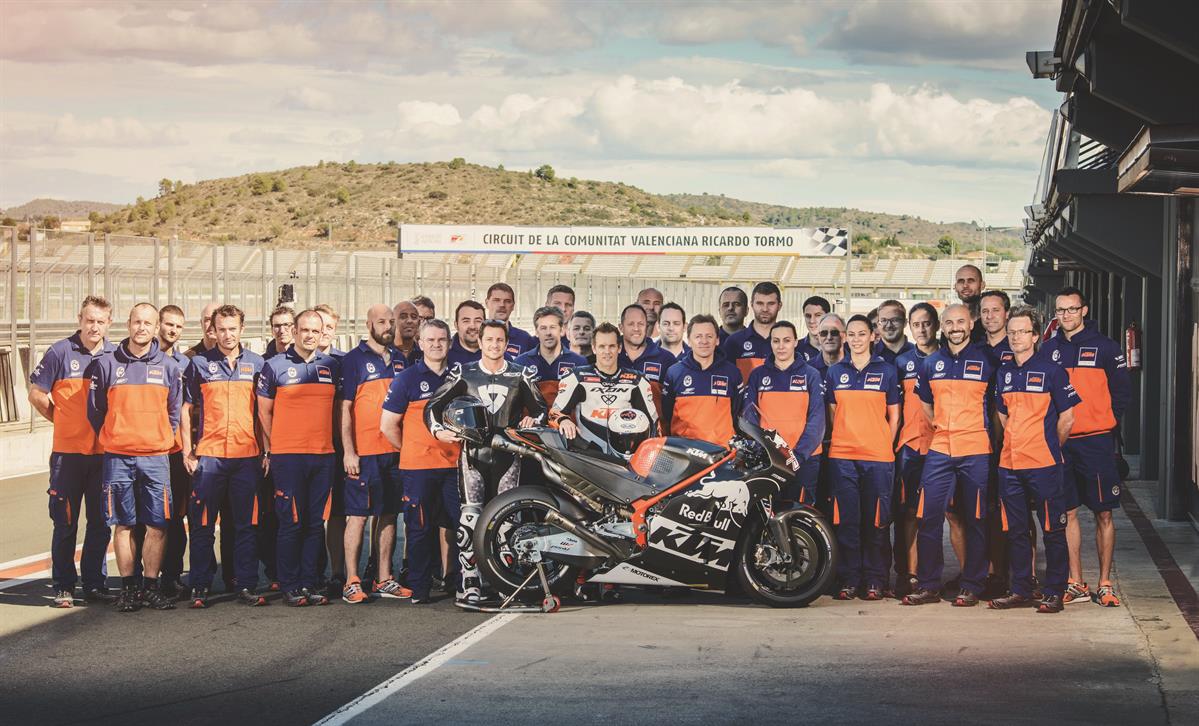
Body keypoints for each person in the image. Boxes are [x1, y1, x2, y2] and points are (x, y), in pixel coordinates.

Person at [426, 320, 548, 607]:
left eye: (499, 340)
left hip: (510, 456)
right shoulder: (464, 372)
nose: (494, 345)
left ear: (507, 343)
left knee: (507, 521)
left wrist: (531, 420)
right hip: (473, 455)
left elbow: (542, 409)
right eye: (489, 339)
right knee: (469, 520)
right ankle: (469, 584)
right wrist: (438, 430)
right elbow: (433, 406)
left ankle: (505, 583)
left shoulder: (520, 374)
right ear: (480, 342)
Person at [87, 302, 184, 612]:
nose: (142, 328)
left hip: (156, 458)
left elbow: (174, 412)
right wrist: (116, 435)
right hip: (118, 458)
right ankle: (129, 588)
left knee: (158, 525)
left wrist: (158, 437)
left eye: (148, 323)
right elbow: (95, 411)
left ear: (156, 328)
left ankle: (151, 587)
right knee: (124, 524)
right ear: (128, 324)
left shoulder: (169, 367)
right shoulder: (106, 364)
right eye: (137, 322)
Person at [1042, 286, 1131, 607]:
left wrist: (1103, 422)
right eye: (1061, 310)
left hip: (1096, 443)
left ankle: (1105, 583)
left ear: (1084, 311)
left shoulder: (1106, 347)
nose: (1066, 315)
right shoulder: (1048, 349)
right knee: (1067, 513)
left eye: (1072, 309)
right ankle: (1075, 582)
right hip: (1061, 442)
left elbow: (1122, 394)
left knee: (1104, 512)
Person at [904, 303, 997, 607]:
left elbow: (998, 408)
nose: (955, 328)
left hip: (976, 449)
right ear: (942, 327)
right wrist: (942, 427)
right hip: (941, 448)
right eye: (949, 323)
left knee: (976, 519)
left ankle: (972, 585)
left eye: (960, 322)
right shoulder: (931, 363)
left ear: (970, 324)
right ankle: (929, 585)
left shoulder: (987, 360)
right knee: (928, 516)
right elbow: (926, 405)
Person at [990, 306, 1078, 614]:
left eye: (1022, 332)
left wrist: (1049, 446)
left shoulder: (1052, 371)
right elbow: (1002, 416)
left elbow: (1067, 418)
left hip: (1043, 464)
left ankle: (1054, 592)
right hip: (1009, 466)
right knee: (1016, 531)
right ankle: (1020, 590)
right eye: (1011, 332)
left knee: (1052, 530)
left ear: (1035, 335)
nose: (1016, 337)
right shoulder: (1004, 372)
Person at [29, 296, 116, 607]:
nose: (94, 327)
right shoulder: (59, 352)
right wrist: (61, 418)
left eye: (100, 322)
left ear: (109, 323)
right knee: (65, 523)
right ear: (80, 319)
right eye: (89, 320)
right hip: (67, 456)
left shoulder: (115, 355)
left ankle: (94, 584)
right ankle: (64, 585)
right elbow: (36, 394)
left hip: (103, 455)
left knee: (101, 523)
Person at [180, 304, 267, 608]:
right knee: (203, 525)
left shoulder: (257, 364)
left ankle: (246, 584)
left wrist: (266, 450)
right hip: (210, 457)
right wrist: (187, 451)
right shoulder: (199, 364)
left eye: (232, 329)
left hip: (247, 456)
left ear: (242, 329)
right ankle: (200, 585)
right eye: (222, 329)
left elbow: (264, 412)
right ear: (213, 331)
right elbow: (185, 409)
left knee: (246, 525)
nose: (227, 335)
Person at [257, 309, 341, 607]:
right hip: (288, 457)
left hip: (323, 456)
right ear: (294, 332)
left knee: (315, 523)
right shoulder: (274, 366)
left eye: (315, 331)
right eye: (305, 330)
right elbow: (264, 411)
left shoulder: (331, 365)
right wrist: (275, 446)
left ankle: (310, 581)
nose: (310, 335)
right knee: (291, 522)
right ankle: (290, 585)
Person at [381, 319, 462, 604]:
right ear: (421, 343)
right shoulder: (407, 378)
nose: (436, 344)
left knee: (461, 527)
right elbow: (387, 426)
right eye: (431, 340)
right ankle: (420, 588)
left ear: (449, 343)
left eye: (442, 340)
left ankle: (461, 584)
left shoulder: (460, 378)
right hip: (418, 469)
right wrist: (411, 449)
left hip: (454, 467)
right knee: (419, 529)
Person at [824, 315, 900, 601]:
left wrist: (882, 443)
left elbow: (894, 416)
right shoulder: (835, 372)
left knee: (876, 521)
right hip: (842, 456)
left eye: (862, 334)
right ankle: (849, 579)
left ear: (872, 336)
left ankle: (875, 580)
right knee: (847, 522)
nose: (856, 339)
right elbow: (833, 414)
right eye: (851, 334)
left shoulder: (887, 371)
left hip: (878, 457)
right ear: (845, 337)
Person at [338, 304, 410, 604]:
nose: (388, 326)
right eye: (381, 321)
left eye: (391, 321)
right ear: (368, 325)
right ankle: (351, 580)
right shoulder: (353, 360)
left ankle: (384, 578)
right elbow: (345, 409)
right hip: (364, 453)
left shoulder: (400, 360)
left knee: (389, 514)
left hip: (394, 451)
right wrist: (349, 451)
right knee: (358, 517)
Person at [742, 321, 825, 506]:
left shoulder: (811, 375)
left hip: (804, 459)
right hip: (769, 458)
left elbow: (817, 420)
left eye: (786, 340)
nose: (781, 346)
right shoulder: (757, 375)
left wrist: (797, 456)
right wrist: (763, 450)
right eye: (776, 341)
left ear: (795, 342)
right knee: (768, 513)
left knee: (800, 513)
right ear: (770, 343)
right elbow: (749, 417)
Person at [892, 302, 940, 596]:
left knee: (939, 514)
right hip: (909, 445)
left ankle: (932, 574)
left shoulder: (947, 359)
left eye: (926, 323)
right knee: (908, 512)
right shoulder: (901, 363)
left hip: (940, 445)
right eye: (916, 324)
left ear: (936, 326)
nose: (921, 329)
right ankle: (908, 574)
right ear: (910, 328)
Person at [551, 322, 657, 452]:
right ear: (594, 348)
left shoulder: (637, 380)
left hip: (625, 456)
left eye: (612, 346)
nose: (607, 351)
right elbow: (555, 413)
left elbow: (653, 423)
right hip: (588, 454)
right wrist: (563, 420)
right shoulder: (577, 377)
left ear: (619, 348)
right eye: (602, 346)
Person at [154, 304, 191, 597]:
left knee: (176, 517)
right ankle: (142, 578)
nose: (173, 330)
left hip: (176, 449)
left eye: (178, 326)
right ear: (158, 324)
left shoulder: (185, 363)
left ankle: (172, 576)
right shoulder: (137, 358)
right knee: (147, 517)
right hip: (148, 450)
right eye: (169, 324)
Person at [661, 314, 742, 446]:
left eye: (709, 336)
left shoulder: (732, 373)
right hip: (684, 450)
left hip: (721, 451)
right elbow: (667, 413)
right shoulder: (674, 373)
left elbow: (737, 412)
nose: (704, 341)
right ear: (689, 340)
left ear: (717, 340)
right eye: (698, 336)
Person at [514, 306, 588, 408]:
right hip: (532, 418)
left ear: (562, 330)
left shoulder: (579, 363)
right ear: (536, 332)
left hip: (567, 417)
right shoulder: (520, 363)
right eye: (543, 328)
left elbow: (584, 403)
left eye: (552, 327)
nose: (548, 333)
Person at [617, 303, 676, 414]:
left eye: (641, 324)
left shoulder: (666, 359)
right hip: (614, 424)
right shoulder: (610, 355)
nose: (636, 328)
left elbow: (674, 403)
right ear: (621, 327)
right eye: (631, 324)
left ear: (647, 326)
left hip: (653, 425)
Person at [721, 281, 782, 380]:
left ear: (779, 306)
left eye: (771, 304)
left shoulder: (787, 342)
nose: (765, 309)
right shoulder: (733, 342)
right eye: (760, 303)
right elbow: (727, 380)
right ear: (752, 305)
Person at [485, 282, 535, 359]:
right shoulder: (476, 336)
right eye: (496, 300)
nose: (502, 305)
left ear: (513, 306)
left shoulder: (525, 339)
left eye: (507, 301)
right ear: (487, 303)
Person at [953, 263, 987, 343]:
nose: (965, 285)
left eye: (971, 281)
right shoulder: (951, 324)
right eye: (961, 281)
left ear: (982, 285)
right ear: (955, 287)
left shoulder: (991, 321)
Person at [979, 291, 1014, 367]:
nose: (989, 316)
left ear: (1007, 314)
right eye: (985, 311)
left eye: (996, 310)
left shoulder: (1016, 345)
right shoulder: (973, 347)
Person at [874, 300, 913, 365]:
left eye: (894, 320)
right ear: (878, 324)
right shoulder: (868, 355)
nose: (889, 325)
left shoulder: (919, 354)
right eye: (884, 320)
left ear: (905, 323)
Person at [448, 300, 485, 368]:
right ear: (456, 325)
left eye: (478, 321)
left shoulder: (498, 353)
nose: (472, 326)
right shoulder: (444, 354)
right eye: (466, 321)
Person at [810, 313, 847, 378]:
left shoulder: (856, 367)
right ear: (819, 337)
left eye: (834, 332)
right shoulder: (807, 369)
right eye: (824, 333)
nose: (829, 337)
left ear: (844, 337)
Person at [799, 296, 831, 364]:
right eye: (808, 316)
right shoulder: (795, 348)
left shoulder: (842, 348)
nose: (812, 321)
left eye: (818, 315)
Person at [393, 300, 422, 365]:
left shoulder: (425, 354)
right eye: (403, 317)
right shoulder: (382, 352)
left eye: (414, 317)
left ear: (419, 323)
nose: (409, 321)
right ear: (392, 322)